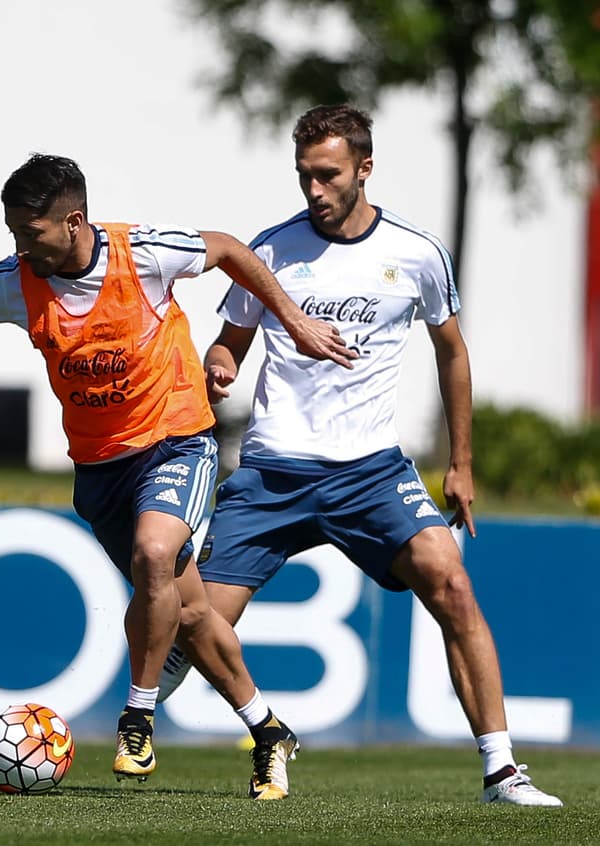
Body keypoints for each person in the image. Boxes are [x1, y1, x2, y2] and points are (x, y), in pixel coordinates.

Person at [0, 153, 355, 798]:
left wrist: (293, 320)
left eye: (31, 232)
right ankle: (269, 730)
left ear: (74, 220)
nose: (21, 245)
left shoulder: (145, 254)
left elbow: (228, 249)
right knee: (190, 615)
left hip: (177, 441)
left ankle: (138, 716)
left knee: (153, 553)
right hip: (100, 469)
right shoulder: (16, 281)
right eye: (14, 233)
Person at [158, 104, 563, 807]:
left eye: (327, 174)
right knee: (193, 621)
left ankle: (502, 773)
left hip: (370, 472)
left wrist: (461, 463)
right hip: (272, 473)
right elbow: (231, 342)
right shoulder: (270, 250)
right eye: (303, 175)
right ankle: (113, 726)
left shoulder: (416, 254)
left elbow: (453, 353)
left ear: (364, 169)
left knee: (452, 582)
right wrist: (219, 364)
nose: (313, 190)